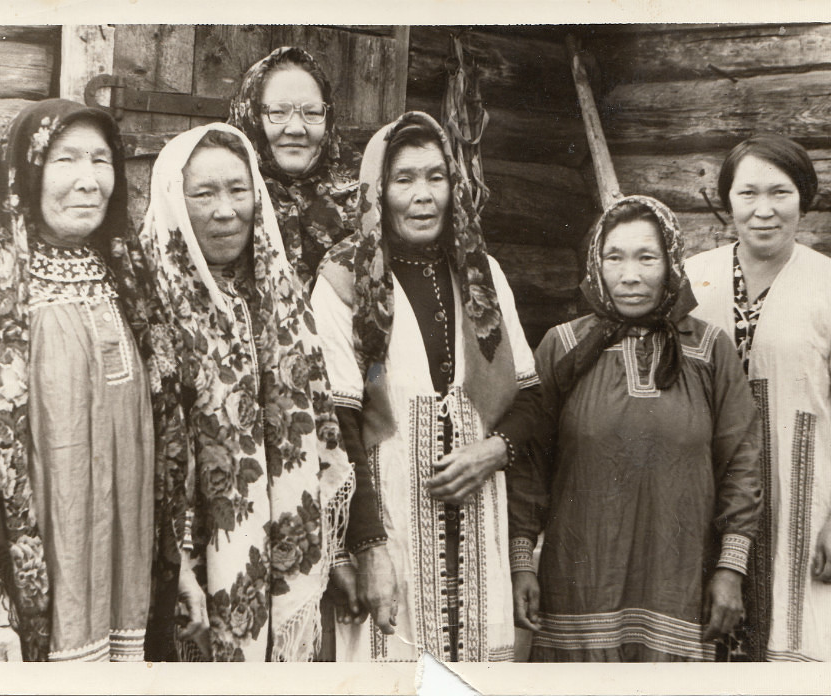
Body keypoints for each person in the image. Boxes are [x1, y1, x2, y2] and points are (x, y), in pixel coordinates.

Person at [0, 98, 184, 662]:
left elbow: (162, 436)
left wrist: (177, 564)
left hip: (124, 580)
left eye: (101, 160)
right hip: (14, 594)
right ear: (28, 169)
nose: (89, 180)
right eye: (66, 159)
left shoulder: (128, 275)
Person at [311, 111, 540, 662]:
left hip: (479, 525)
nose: (423, 195)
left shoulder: (482, 273)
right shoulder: (344, 278)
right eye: (404, 179)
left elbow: (531, 399)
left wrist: (494, 451)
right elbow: (338, 424)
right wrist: (369, 548)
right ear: (378, 190)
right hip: (389, 524)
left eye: (436, 177)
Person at [509, 195, 763, 662]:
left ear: (672, 263)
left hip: (679, 586)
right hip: (578, 587)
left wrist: (731, 569)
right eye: (615, 258)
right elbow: (528, 466)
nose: (630, 275)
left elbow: (742, 464)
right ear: (596, 264)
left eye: (647, 258)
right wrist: (522, 562)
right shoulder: (561, 346)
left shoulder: (711, 349)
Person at [139, 123, 355, 661]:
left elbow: (320, 423)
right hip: (173, 555)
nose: (225, 210)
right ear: (173, 200)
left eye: (239, 190)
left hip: (274, 543)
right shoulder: (144, 297)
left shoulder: (282, 297)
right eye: (203, 194)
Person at [685, 134, 831, 662]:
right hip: (703, 499)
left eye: (780, 192)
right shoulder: (693, 279)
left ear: (804, 197)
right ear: (727, 200)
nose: (764, 210)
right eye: (747, 193)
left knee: (800, 649)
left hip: (806, 503)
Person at [230, 46, 360, 287]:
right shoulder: (223, 195)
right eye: (279, 112)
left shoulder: (366, 193)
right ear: (251, 115)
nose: (296, 128)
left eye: (312, 112)